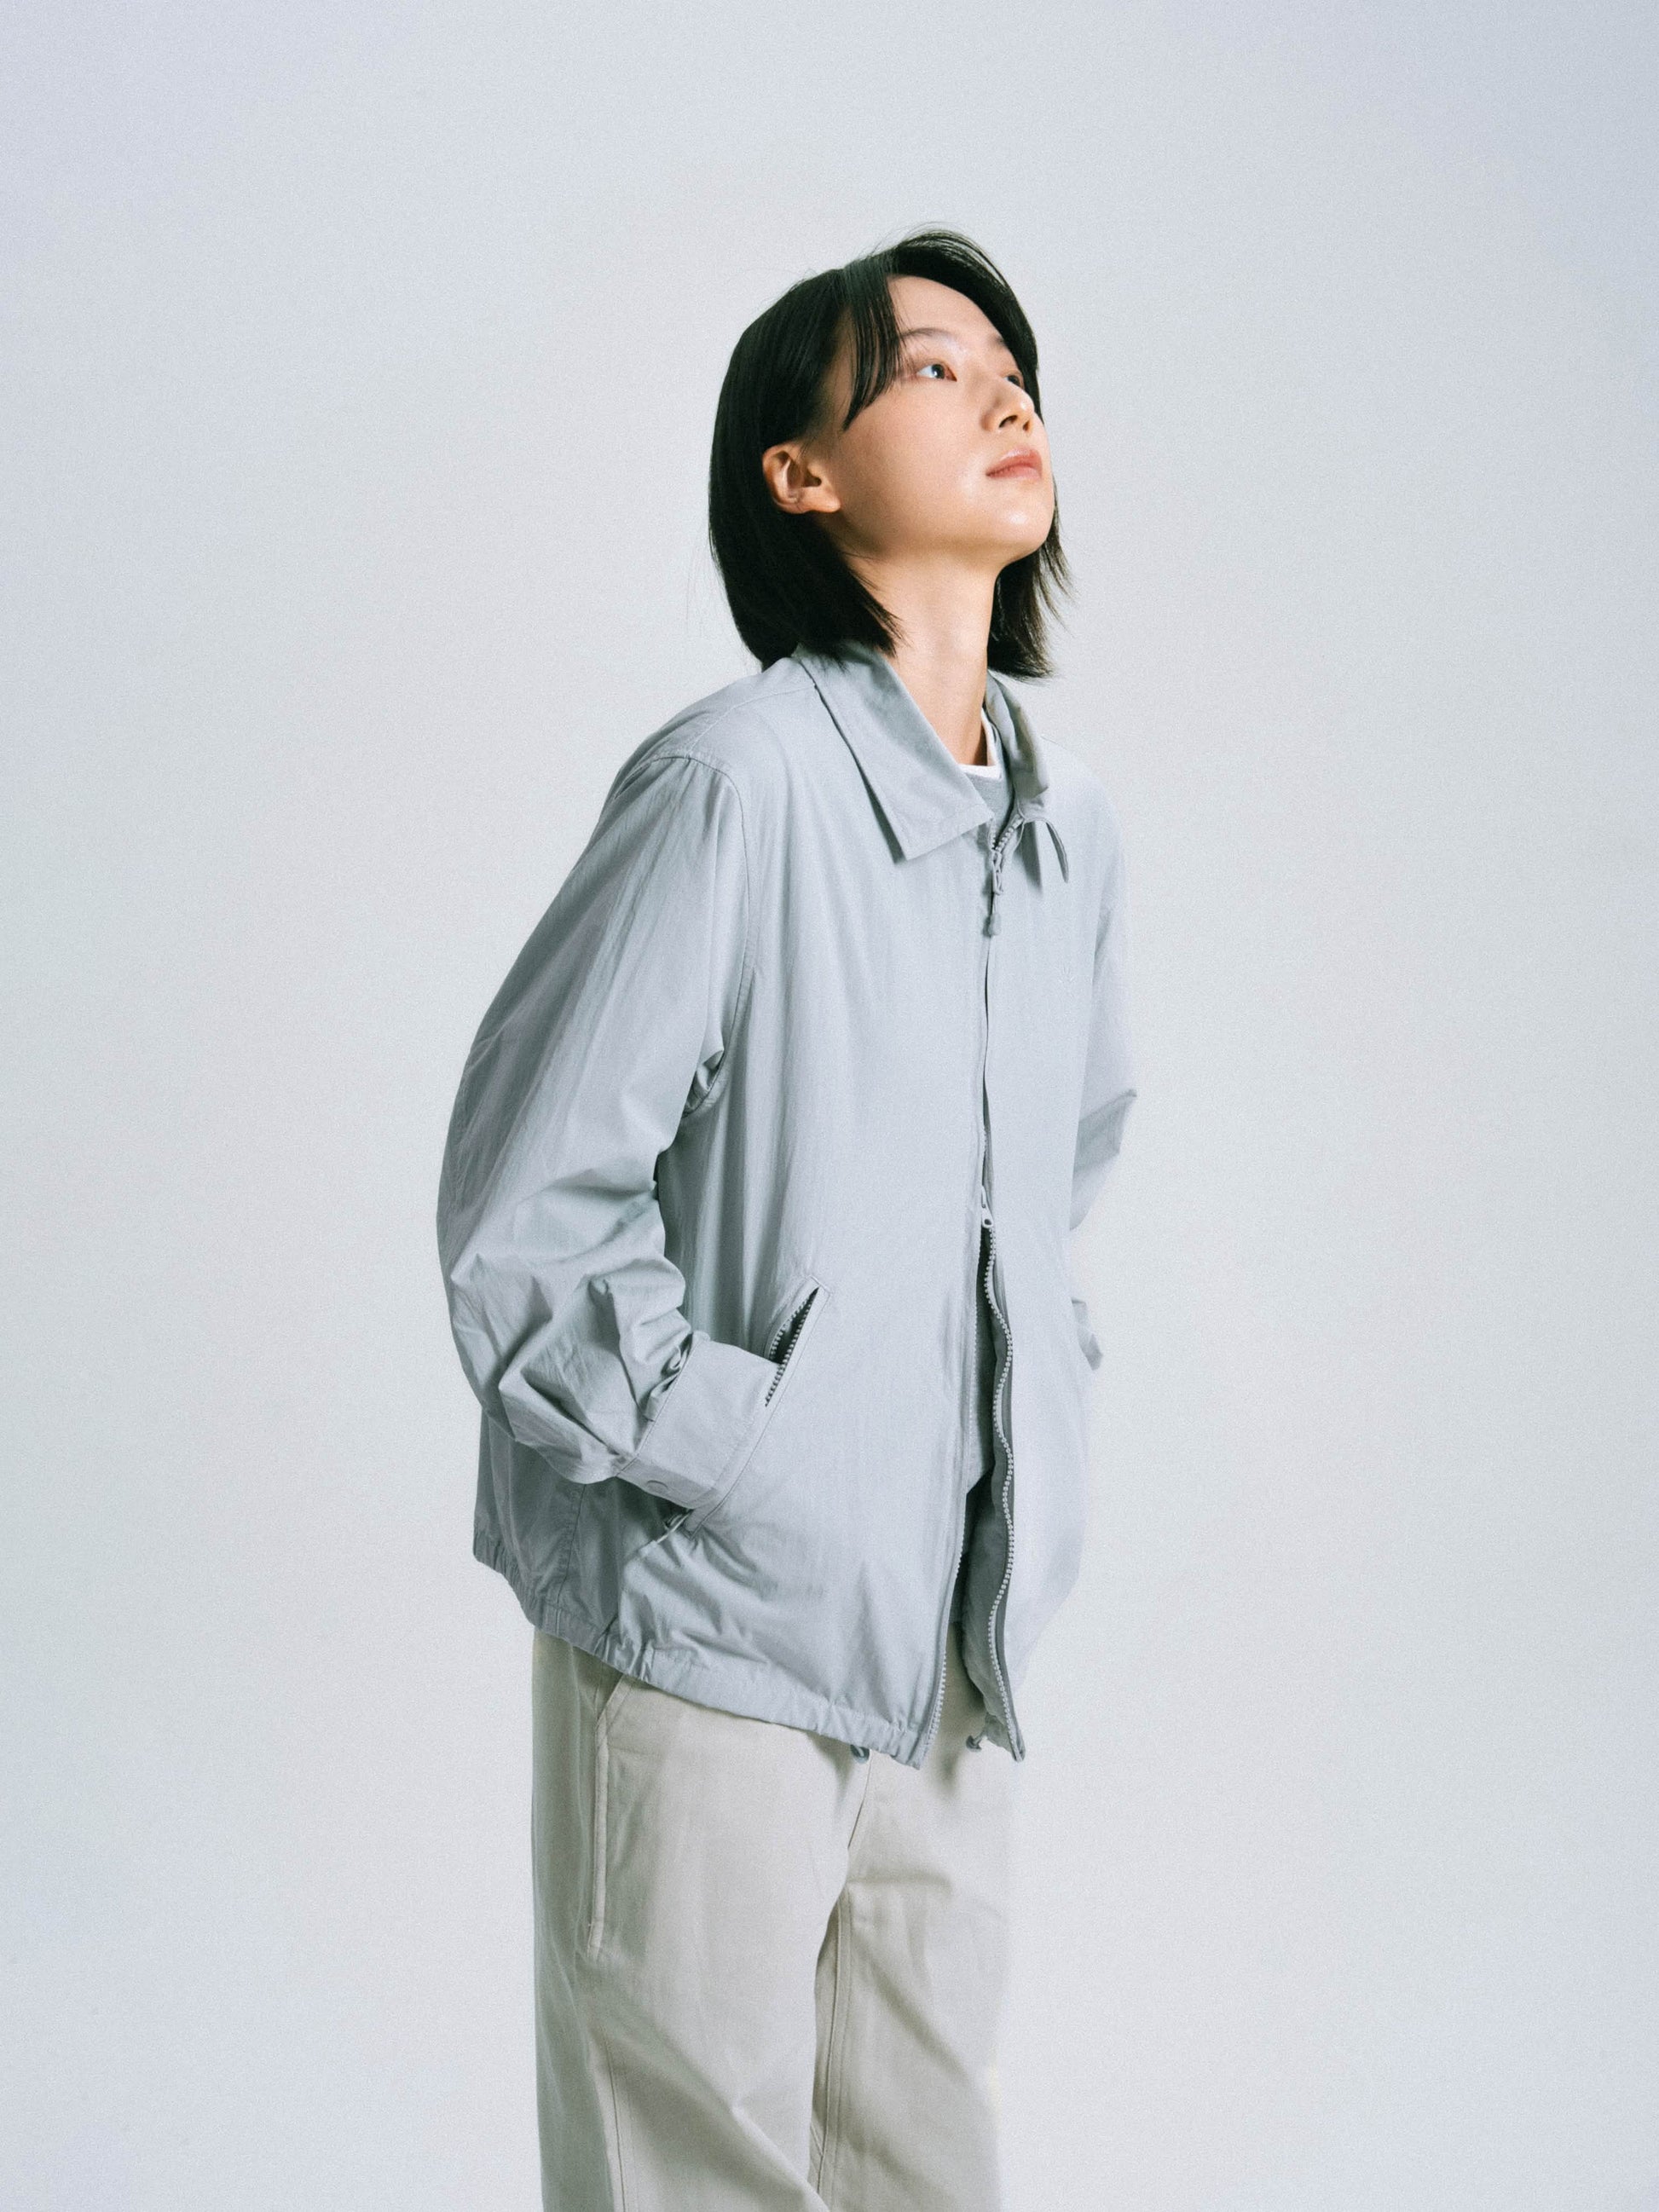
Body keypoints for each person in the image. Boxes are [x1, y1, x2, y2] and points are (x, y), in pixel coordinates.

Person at [435, 225, 1136, 2211]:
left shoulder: (1063, 828)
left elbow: (1055, 1178)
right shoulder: (733, 785)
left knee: (924, 2162)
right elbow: (527, 1202)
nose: (999, 389)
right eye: (926, 366)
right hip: (712, 1621)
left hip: (946, 1646)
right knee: (691, 2168)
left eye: (1007, 360)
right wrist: (744, 1452)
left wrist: (1020, 1433)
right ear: (799, 471)